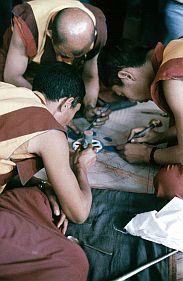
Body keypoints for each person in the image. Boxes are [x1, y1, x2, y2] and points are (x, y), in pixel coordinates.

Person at [0, 62, 97, 281]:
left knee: (40, 196)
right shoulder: (49, 131)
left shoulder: (10, 91)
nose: (69, 121)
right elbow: (78, 213)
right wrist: (80, 167)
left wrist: (43, 184)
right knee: (72, 261)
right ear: (68, 103)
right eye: (74, 112)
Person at [0, 0, 110, 128]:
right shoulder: (29, 23)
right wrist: (50, 108)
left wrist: (89, 107)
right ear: (50, 34)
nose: (69, 61)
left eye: (77, 56)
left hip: (57, 80)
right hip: (27, 72)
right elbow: (13, 76)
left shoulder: (96, 30)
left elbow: (89, 76)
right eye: (64, 55)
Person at [98, 38, 183, 199]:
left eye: (121, 94)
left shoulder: (171, 81)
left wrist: (147, 154)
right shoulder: (174, 46)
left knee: (170, 182)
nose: (132, 101)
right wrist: (160, 136)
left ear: (126, 75)